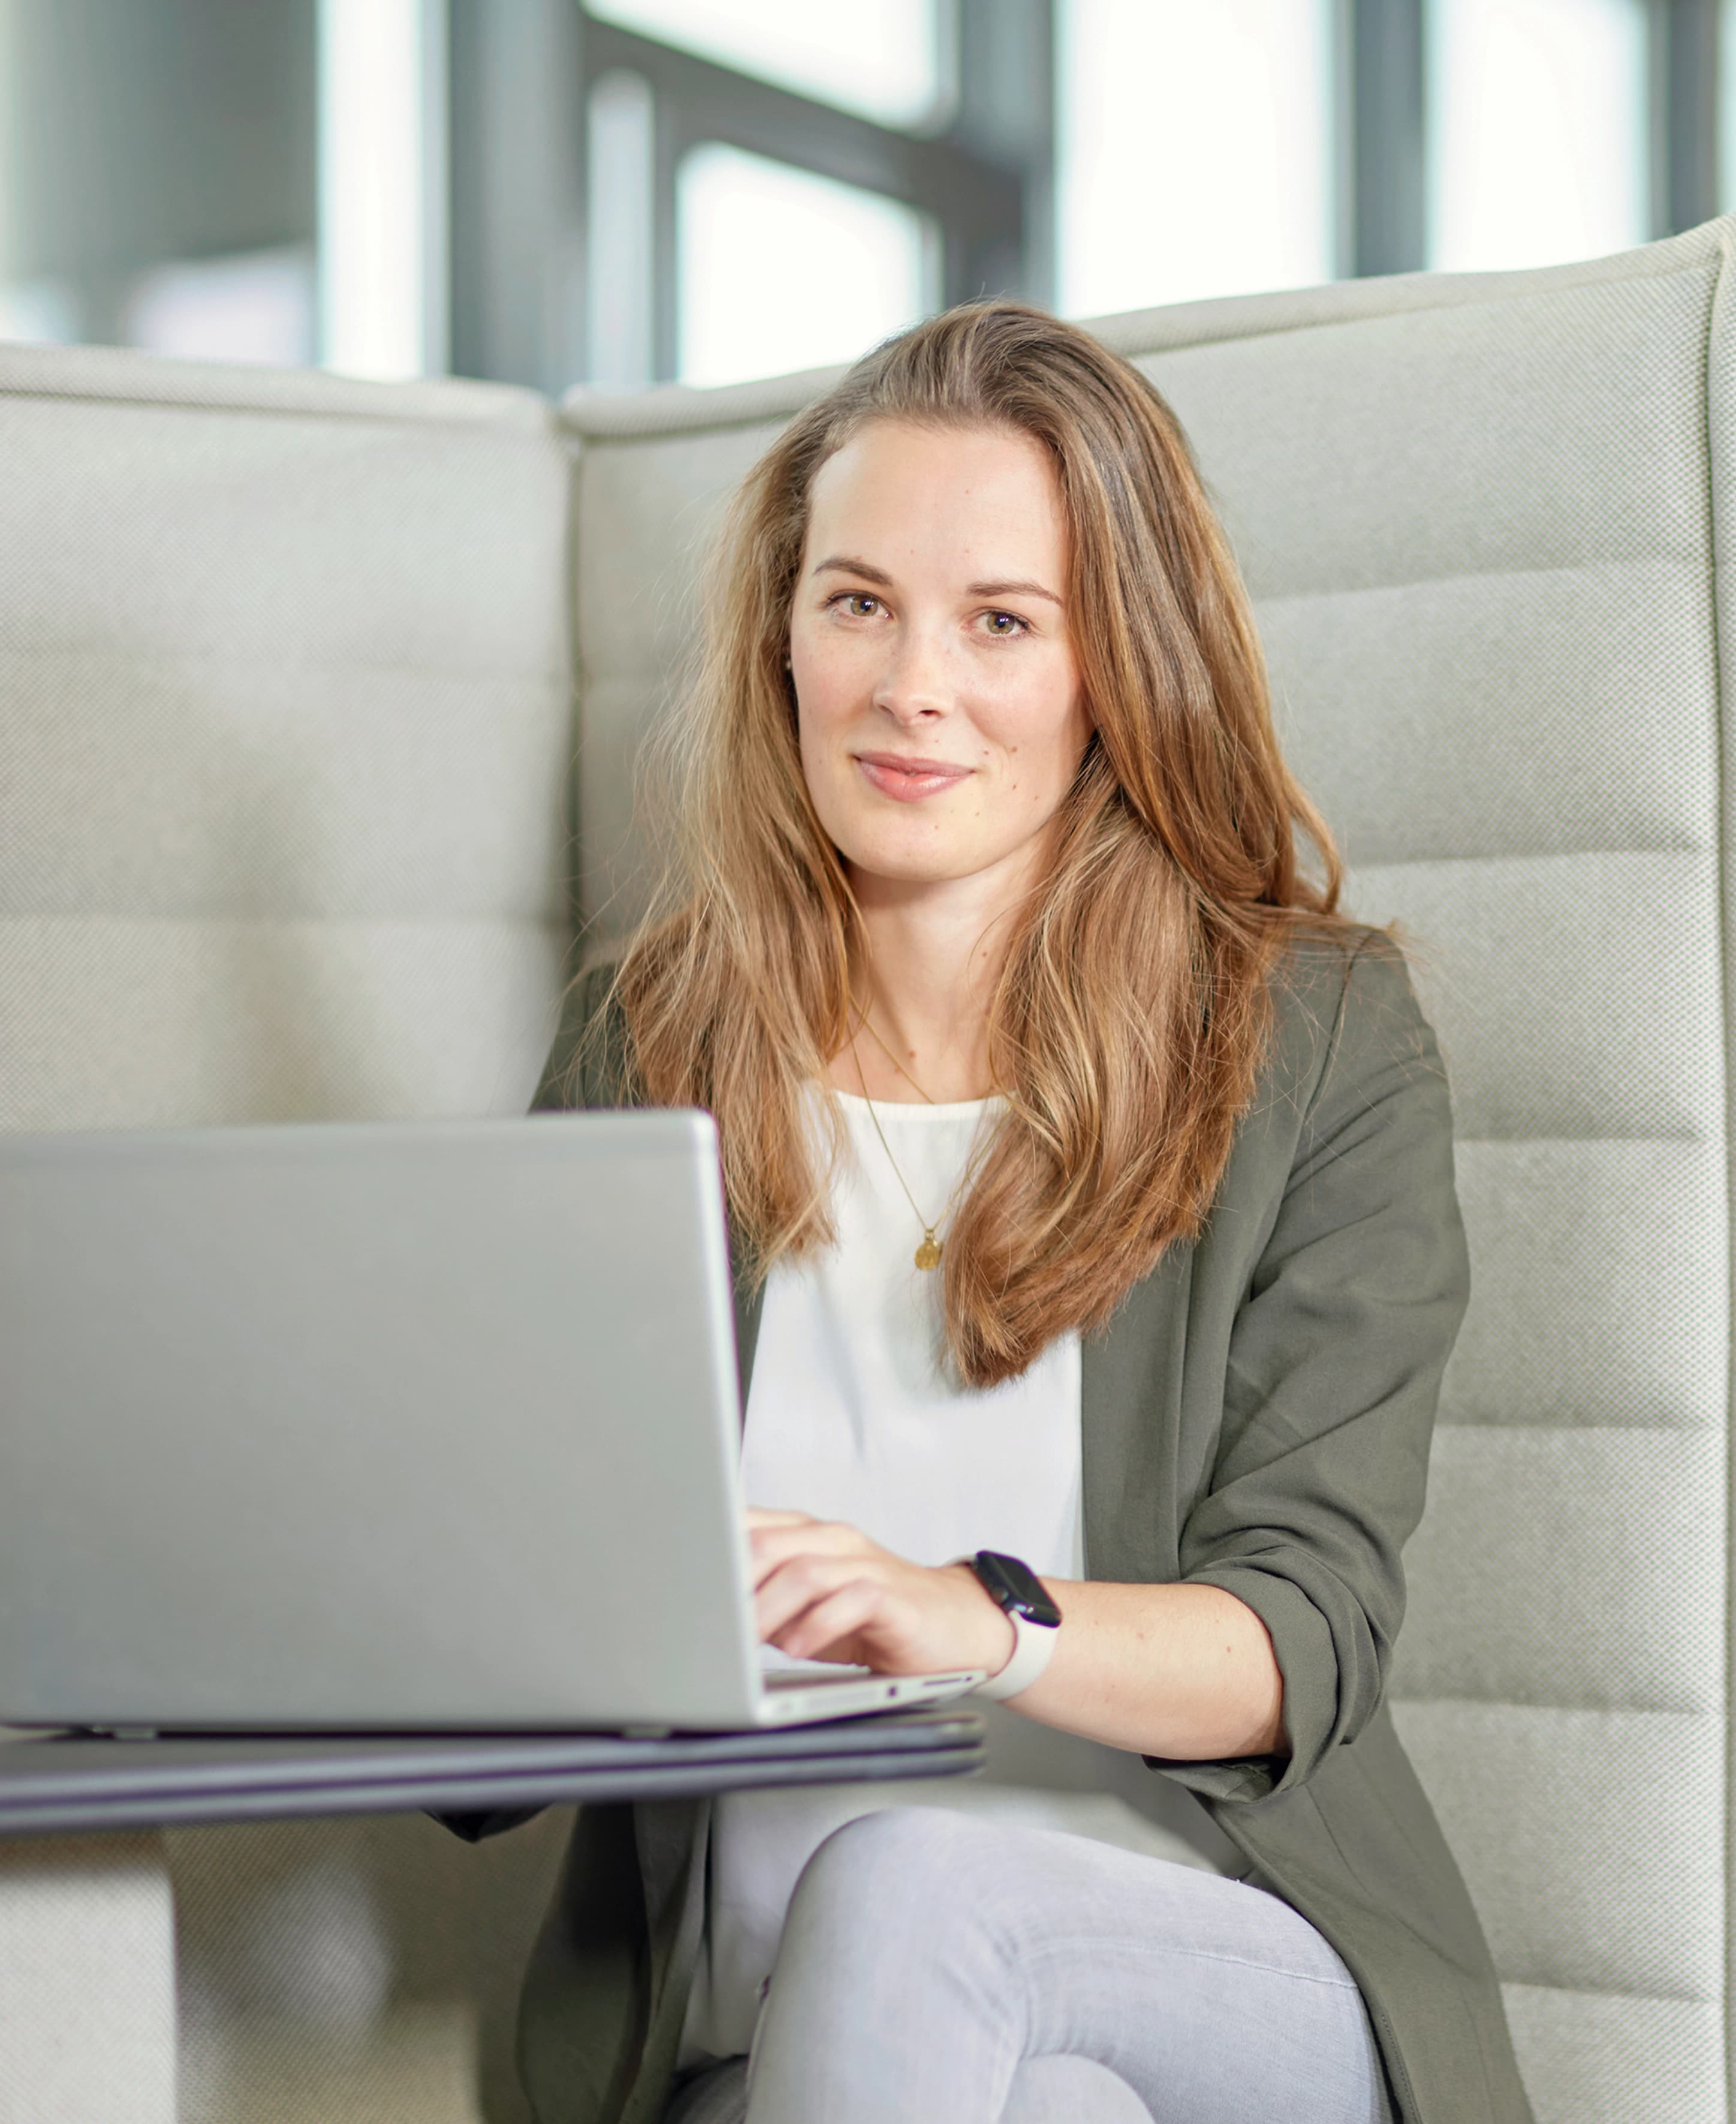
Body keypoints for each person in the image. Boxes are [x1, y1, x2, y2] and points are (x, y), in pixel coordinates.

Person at [515, 302, 1532, 2124]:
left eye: (1001, 621)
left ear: (1114, 667)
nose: (914, 684)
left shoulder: (1309, 1044)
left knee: (922, 1888)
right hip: (766, 2046)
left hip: (1219, 1970)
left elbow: (1301, 1641)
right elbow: (507, 1653)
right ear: (784, 642)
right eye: (857, 603)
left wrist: (969, 1620)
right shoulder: (648, 1043)